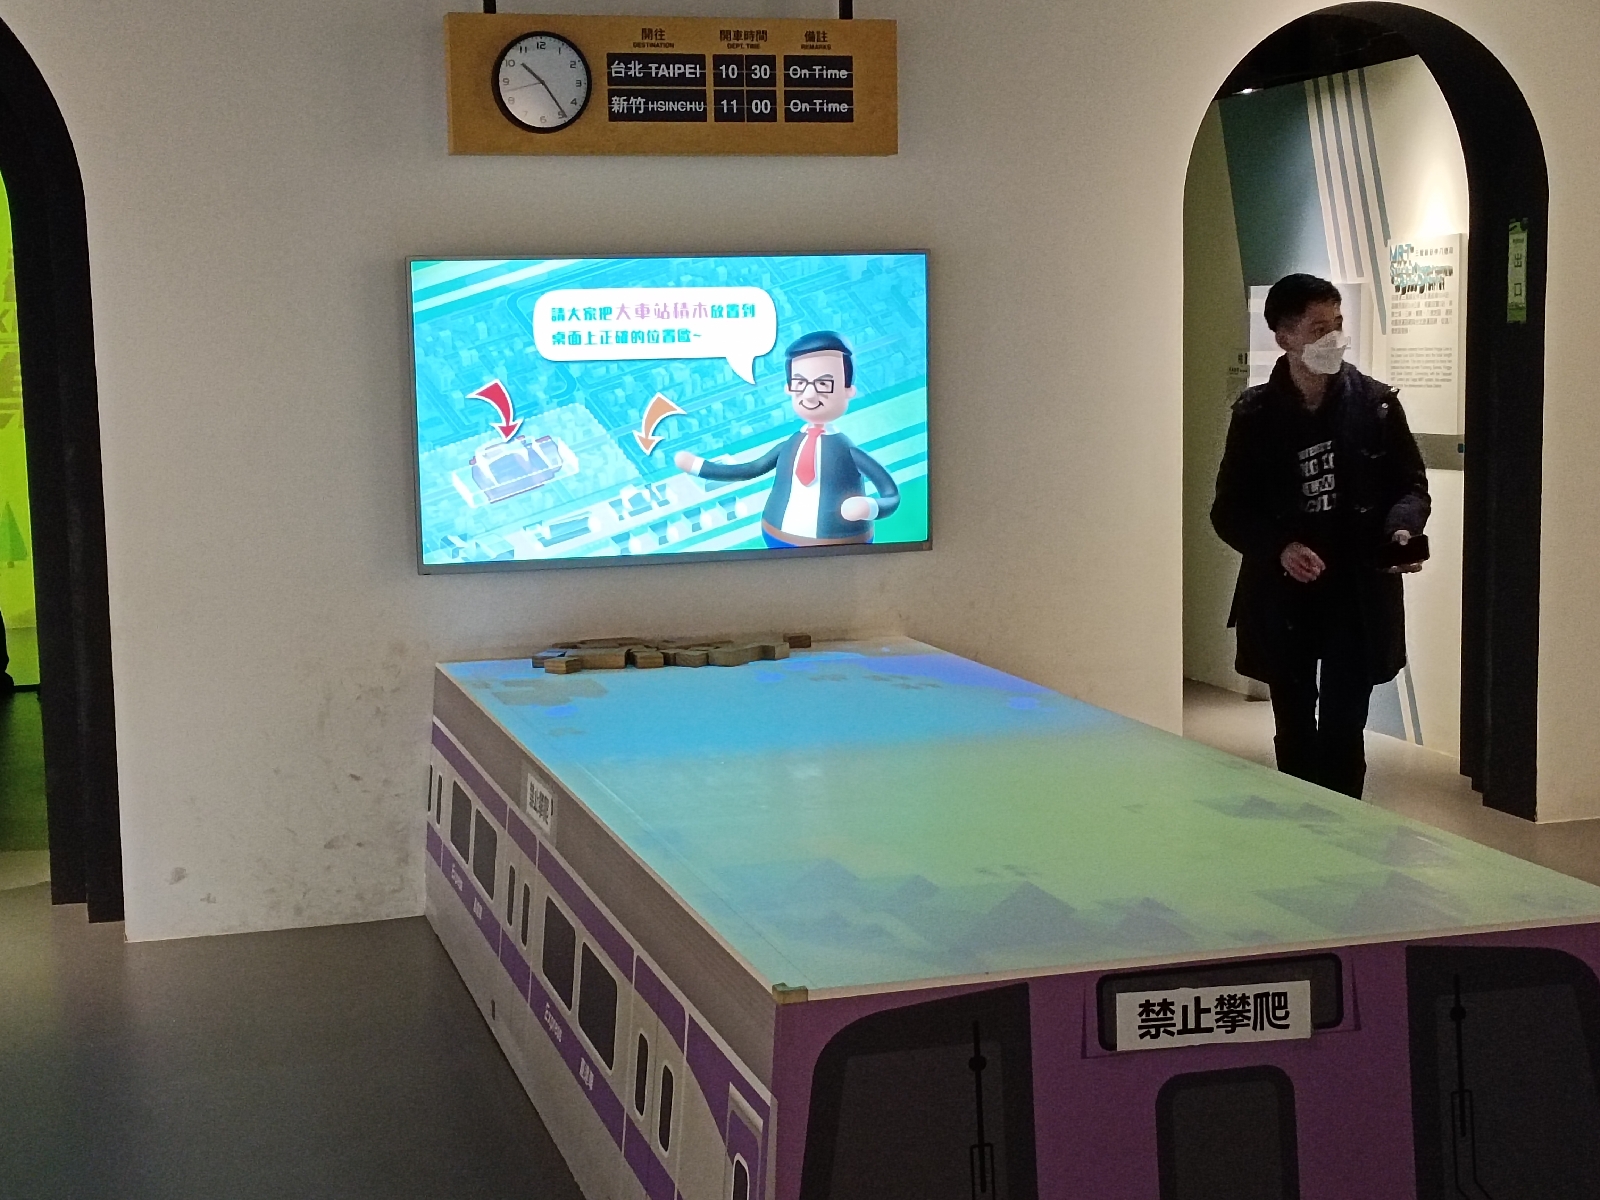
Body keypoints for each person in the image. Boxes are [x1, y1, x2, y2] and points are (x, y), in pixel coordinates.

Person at [1210, 273, 1430, 798]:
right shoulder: (1255, 414)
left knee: (1344, 726)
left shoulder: (1376, 405)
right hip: (1284, 596)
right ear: (1284, 337)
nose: (1334, 338)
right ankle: (1298, 821)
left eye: (1337, 324)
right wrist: (1280, 548)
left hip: (1356, 593)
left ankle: (1345, 823)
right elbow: (1229, 509)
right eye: (1318, 328)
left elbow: (1410, 485)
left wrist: (1401, 529)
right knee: (1292, 724)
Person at [675, 331, 900, 548]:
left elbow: (891, 495)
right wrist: (699, 467)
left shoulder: (846, 451)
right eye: (800, 384)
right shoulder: (790, 445)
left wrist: (869, 507)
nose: (809, 394)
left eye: (823, 384)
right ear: (789, 388)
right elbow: (750, 469)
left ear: (848, 390)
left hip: (840, 543)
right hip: (776, 534)